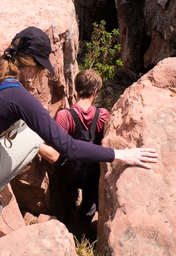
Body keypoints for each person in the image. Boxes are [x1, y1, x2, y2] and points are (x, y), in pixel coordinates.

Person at [0, 27, 157, 229]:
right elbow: (69, 147)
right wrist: (120, 154)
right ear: (29, 68)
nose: (39, 74)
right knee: (34, 138)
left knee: (23, 131)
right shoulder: (19, 97)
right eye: (41, 68)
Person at [54, 68, 109, 231]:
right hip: (93, 172)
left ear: (76, 89)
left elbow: (57, 149)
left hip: (69, 171)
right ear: (95, 91)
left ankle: (68, 226)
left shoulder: (64, 115)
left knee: (66, 199)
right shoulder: (103, 115)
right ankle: (84, 228)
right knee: (90, 202)